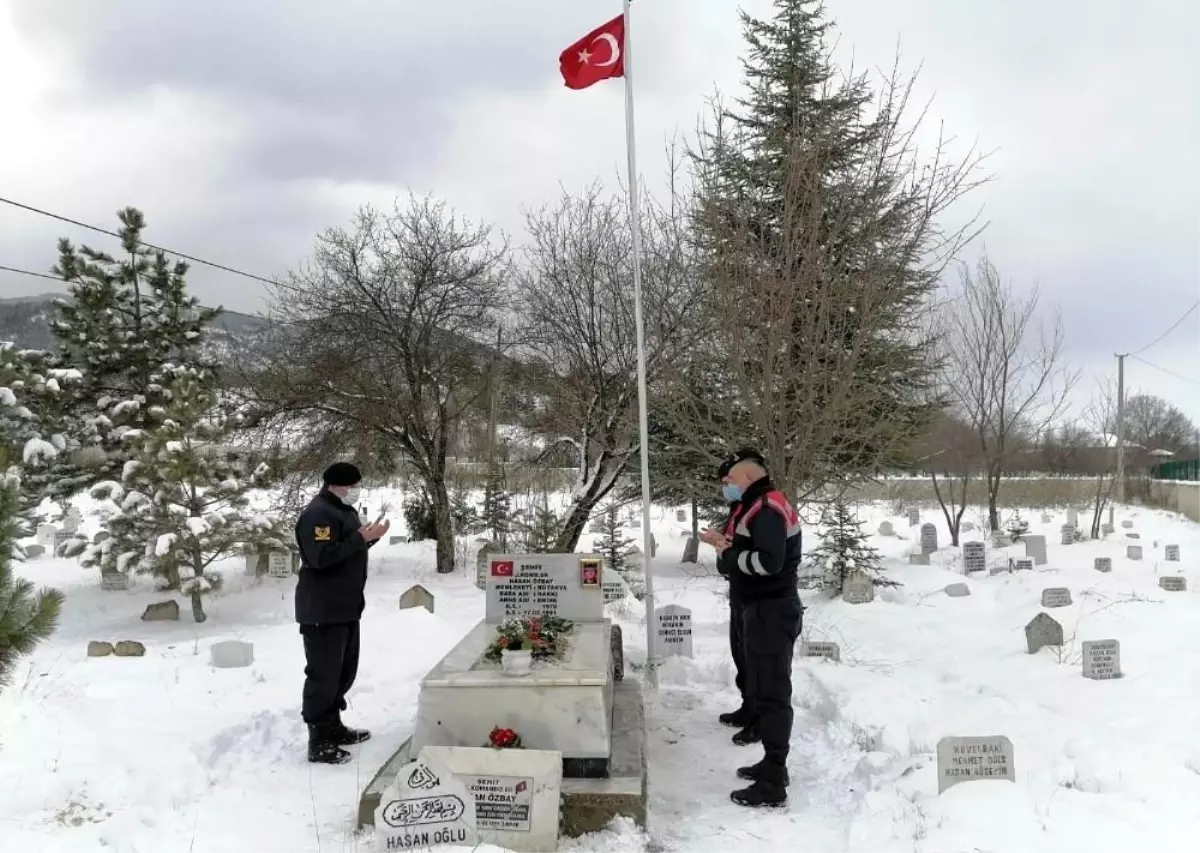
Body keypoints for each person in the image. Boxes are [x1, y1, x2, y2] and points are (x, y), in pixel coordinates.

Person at [699, 448, 802, 808]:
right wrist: (726, 547)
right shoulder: (755, 505)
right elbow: (751, 550)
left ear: (746, 478)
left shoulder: (768, 509)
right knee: (762, 685)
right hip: (758, 609)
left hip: (771, 610)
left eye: (729, 481)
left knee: (773, 695)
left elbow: (769, 562)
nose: (726, 486)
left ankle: (774, 779)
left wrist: (729, 558)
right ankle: (771, 764)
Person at [295, 462, 390, 764]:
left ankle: (333, 726)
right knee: (323, 675)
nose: (356, 490)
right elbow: (319, 557)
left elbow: (347, 550)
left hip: (345, 607)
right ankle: (318, 738)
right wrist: (359, 539)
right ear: (336, 485)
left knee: (342, 672)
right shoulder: (319, 514)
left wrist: (370, 537)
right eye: (352, 486)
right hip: (323, 609)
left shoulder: (342, 510)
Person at [714, 456, 752, 734]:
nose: (725, 487)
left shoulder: (757, 509)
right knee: (741, 654)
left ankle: (758, 718)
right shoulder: (736, 508)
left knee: (755, 659)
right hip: (738, 591)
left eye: (728, 481)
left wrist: (727, 550)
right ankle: (747, 706)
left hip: (756, 596)